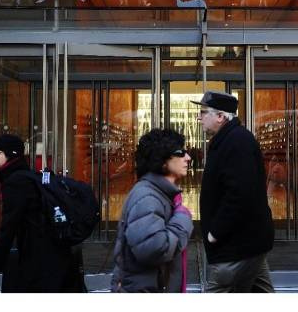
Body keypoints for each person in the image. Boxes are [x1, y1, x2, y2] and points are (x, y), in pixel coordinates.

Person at [192, 90, 274, 292]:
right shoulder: (229, 139)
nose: (198, 117)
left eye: (203, 112)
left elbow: (240, 195)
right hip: (247, 242)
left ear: (220, 117)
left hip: (236, 246)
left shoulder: (237, 142)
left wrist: (215, 232)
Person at [0, 134, 84, 292]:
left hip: (41, 258)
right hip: (51, 254)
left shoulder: (16, 182)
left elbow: (8, 227)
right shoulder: (25, 176)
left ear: (11, 154)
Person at [111, 128, 194, 292]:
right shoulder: (147, 197)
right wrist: (182, 219)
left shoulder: (160, 194)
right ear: (162, 160)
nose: (188, 157)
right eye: (180, 153)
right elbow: (154, 250)